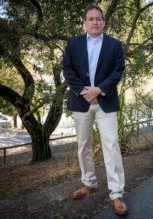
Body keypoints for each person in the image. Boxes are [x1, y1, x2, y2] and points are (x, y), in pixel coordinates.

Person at [63, 5, 128, 216]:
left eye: (98, 19)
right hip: (81, 101)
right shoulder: (73, 44)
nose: (95, 22)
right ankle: (89, 182)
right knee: (83, 146)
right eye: (91, 19)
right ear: (85, 22)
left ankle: (116, 194)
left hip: (105, 101)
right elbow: (68, 69)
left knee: (111, 145)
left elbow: (118, 71)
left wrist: (99, 90)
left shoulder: (115, 45)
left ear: (103, 22)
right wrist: (84, 91)